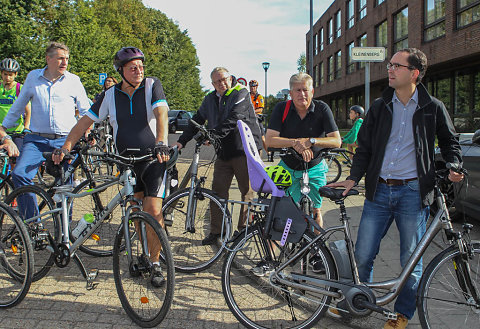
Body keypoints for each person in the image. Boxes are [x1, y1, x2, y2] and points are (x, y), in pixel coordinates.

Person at [327, 48, 463, 329]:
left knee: (410, 261)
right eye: (389, 64)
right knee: (363, 254)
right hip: (378, 192)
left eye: (396, 65)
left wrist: (453, 163)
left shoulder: (432, 106)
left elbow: (450, 142)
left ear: (414, 73)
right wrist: (353, 177)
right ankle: (358, 302)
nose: (389, 69)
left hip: (413, 194)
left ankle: (402, 314)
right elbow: (364, 147)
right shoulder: (380, 105)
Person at [52, 46, 170, 287]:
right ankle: (146, 254)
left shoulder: (151, 85)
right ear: (121, 71)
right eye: (132, 67)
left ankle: (156, 263)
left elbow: (161, 114)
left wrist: (161, 143)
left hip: (153, 159)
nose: (139, 70)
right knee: (136, 212)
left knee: (153, 211)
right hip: (126, 162)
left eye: (141, 66)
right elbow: (83, 122)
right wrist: (66, 147)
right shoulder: (109, 96)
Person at [176, 67, 262, 245]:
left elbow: (234, 118)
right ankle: (217, 231)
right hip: (224, 151)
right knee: (217, 191)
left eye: (224, 79)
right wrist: (181, 142)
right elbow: (197, 120)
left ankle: (243, 232)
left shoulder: (241, 93)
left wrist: (211, 135)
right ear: (212, 84)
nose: (222, 83)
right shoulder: (209, 99)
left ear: (230, 78)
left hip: (243, 150)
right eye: (217, 81)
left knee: (247, 192)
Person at [0, 41, 90, 194]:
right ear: (48, 59)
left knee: (64, 184)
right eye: (61, 58)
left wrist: (88, 129)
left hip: (64, 139)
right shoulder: (33, 77)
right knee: (19, 174)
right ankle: (31, 218)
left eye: (67, 58)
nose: (65, 62)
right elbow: (18, 107)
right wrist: (3, 129)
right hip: (36, 139)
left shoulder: (73, 80)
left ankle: (63, 218)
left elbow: (85, 111)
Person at [265, 72, 341, 229]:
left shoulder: (322, 108)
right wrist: (295, 143)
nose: (302, 94)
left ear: (312, 91)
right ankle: (280, 249)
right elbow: (270, 140)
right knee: (285, 212)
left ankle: (316, 250)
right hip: (288, 166)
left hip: (315, 166)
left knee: (316, 211)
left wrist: (310, 141)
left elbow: (336, 141)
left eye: (305, 90)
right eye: (297, 90)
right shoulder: (281, 108)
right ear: (291, 93)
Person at [0, 58, 31, 151]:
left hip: (17, 130)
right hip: (1, 130)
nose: (7, 78)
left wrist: (27, 127)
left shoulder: (20, 88)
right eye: (5, 74)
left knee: (16, 158)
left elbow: (28, 110)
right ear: (1, 73)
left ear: (16, 74)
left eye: (10, 75)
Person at [249, 79, 267, 151]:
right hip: (248, 118)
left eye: (254, 86)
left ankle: (268, 153)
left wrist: (252, 111)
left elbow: (260, 109)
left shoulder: (259, 97)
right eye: (251, 87)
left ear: (256, 87)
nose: (252, 88)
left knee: (262, 138)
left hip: (257, 118)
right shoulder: (247, 96)